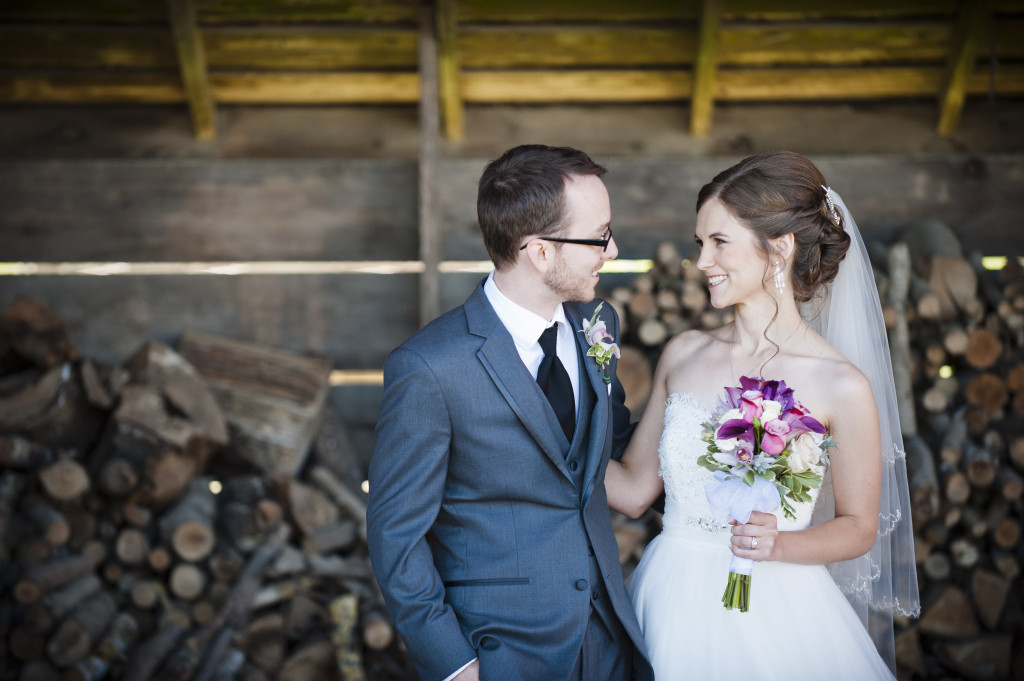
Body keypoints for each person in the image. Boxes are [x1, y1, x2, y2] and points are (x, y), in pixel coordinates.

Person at [605, 151, 920, 679]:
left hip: (779, 605)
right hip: (670, 597)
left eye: (719, 242)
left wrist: (780, 544)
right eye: (699, 243)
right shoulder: (682, 353)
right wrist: (552, 424)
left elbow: (859, 527)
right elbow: (635, 490)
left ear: (778, 250)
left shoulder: (841, 384)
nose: (702, 261)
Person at [367, 144, 654, 681]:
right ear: (539, 252)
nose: (612, 250)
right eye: (598, 236)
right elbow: (395, 538)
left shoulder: (599, 322)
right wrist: (457, 666)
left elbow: (610, 448)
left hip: (610, 642)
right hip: (500, 653)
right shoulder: (430, 368)